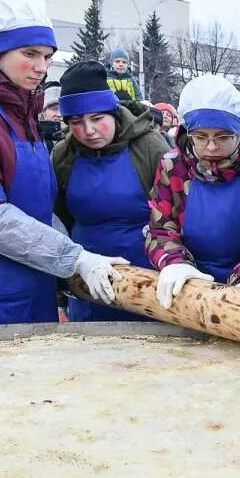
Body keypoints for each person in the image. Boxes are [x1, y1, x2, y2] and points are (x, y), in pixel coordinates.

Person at [0, 0, 126, 328]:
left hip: (29, 284)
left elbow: (36, 210)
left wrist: (75, 253)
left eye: (47, 56)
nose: (42, 67)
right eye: (29, 54)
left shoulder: (20, 118)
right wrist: (73, 258)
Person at [52, 61, 169, 322]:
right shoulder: (63, 155)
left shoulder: (149, 147)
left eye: (97, 119)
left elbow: (173, 212)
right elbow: (61, 216)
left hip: (146, 278)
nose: (88, 131)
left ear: (113, 112)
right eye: (76, 122)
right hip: (87, 280)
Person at [145, 74, 240, 308]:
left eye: (223, 137)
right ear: (188, 133)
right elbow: (160, 228)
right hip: (188, 287)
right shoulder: (173, 166)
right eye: (201, 137)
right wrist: (175, 263)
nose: (212, 147)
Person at [38, 82, 64, 153]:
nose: (59, 114)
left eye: (63, 108)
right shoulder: (35, 139)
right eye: (54, 109)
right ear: (43, 112)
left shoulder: (78, 138)